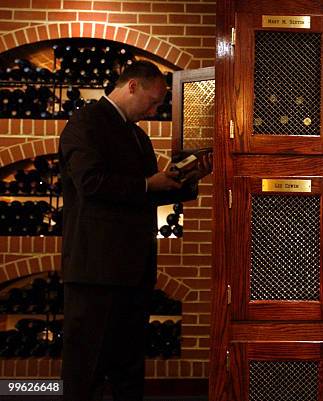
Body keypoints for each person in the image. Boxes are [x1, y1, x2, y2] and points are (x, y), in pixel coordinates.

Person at [59, 60, 211, 401]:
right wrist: (147, 182)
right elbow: (91, 183)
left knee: (129, 369)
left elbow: (151, 191)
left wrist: (189, 179)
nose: (156, 109)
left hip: (134, 269)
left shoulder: (137, 136)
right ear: (131, 86)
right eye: (153, 101)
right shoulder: (84, 124)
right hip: (95, 271)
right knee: (86, 369)